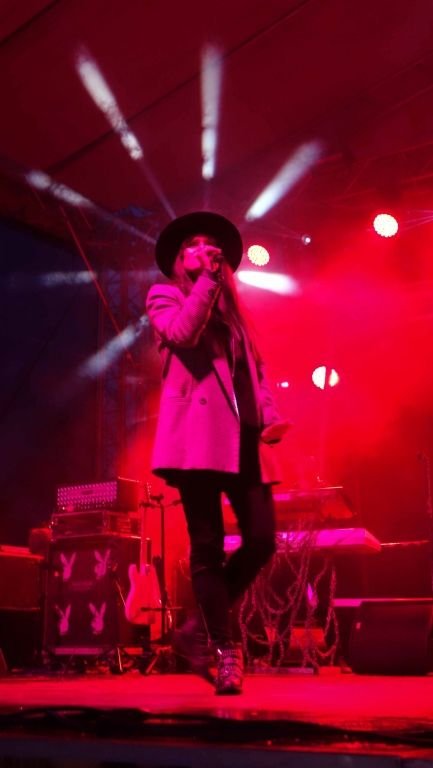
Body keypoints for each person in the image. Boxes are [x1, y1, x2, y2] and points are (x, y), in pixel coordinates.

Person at [146, 211, 289, 694]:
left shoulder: (236, 313)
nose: (205, 249)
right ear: (179, 259)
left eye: (211, 244)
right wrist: (208, 282)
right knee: (207, 547)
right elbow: (182, 334)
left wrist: (270, 416)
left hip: (244, 438)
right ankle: (225, 650)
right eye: (193, 244)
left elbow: (256, 372)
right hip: (198, 438)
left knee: (262, 540)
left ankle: (194, 628)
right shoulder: (164, 295)